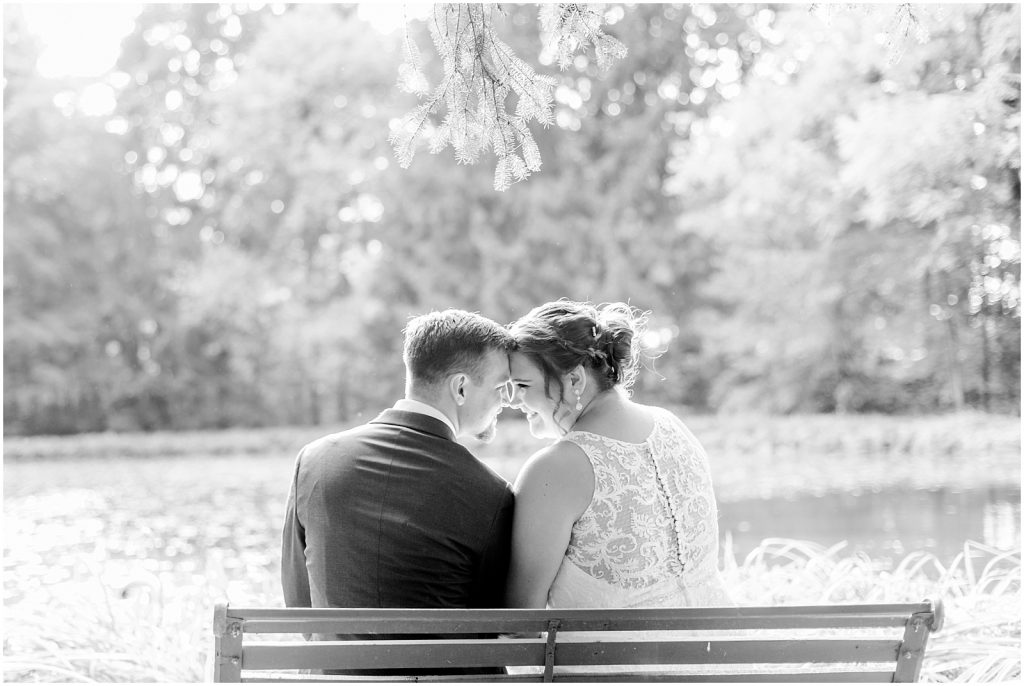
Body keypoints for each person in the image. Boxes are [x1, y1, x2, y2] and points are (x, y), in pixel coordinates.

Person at [281, 309, 516, 630]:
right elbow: (491, 627)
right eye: (500, 387)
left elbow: (299, 608)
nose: (505, 401)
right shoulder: (491, 493)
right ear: (461, 387)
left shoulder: (314, 460)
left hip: (336, 679)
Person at [505, 299, 731, 609]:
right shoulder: (672, 426)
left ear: (574, 380)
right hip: (720, 648)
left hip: (624, 658)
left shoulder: (554, 469)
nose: (513, 400)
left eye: (521, 384)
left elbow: (521, 617)